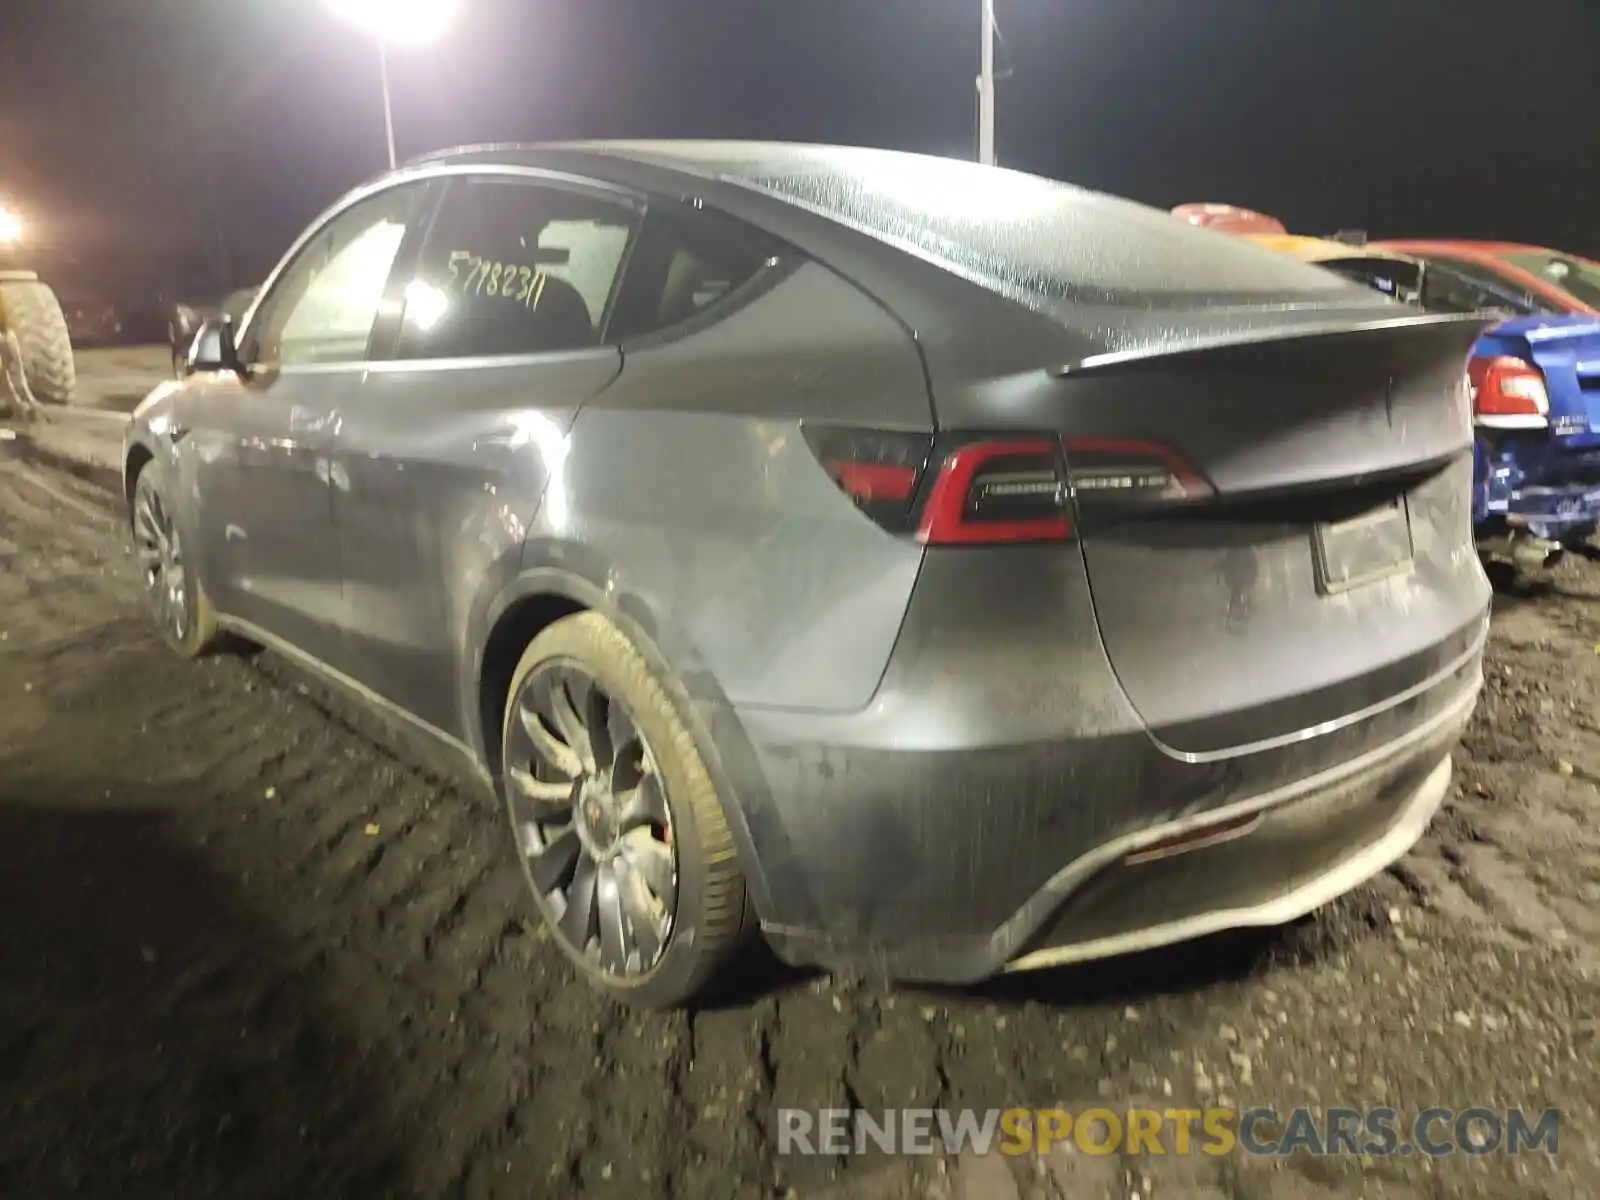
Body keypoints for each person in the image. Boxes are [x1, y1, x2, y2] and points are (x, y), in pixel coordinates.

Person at [0, 288, 43, 421]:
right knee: (17, 373)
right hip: (8, 334)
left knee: (4, 377)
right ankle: (31, 403)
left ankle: (20, 407)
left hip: (3, 335)